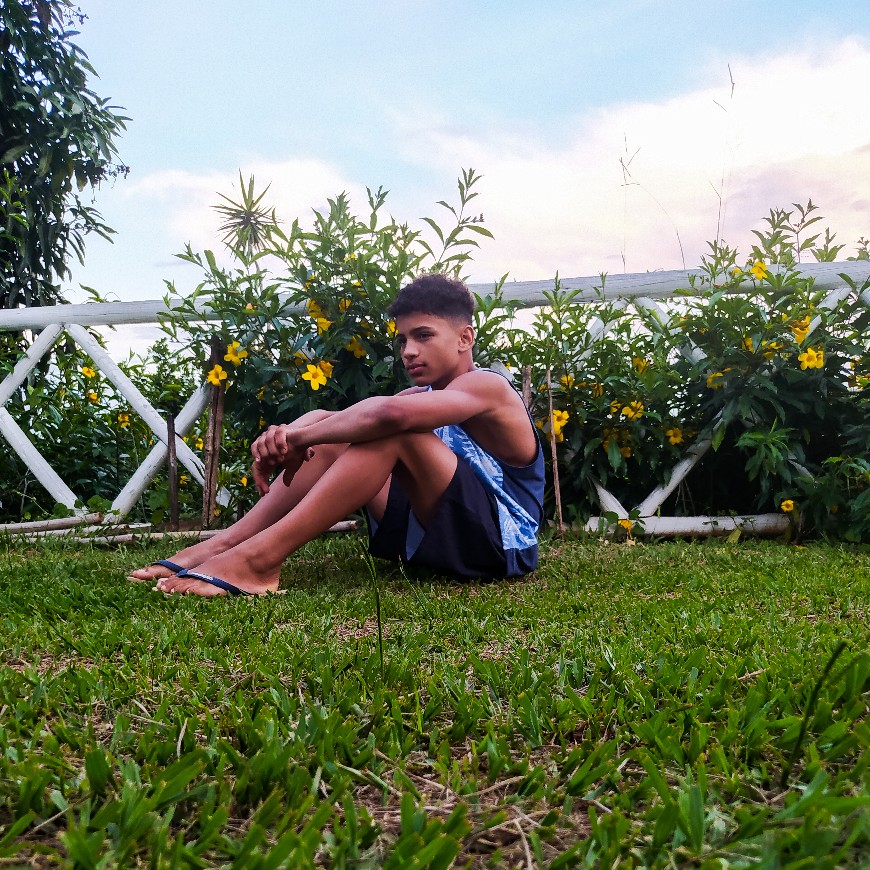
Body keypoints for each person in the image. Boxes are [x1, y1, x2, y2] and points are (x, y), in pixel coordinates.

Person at [131, 274, 545, 596]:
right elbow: (342, 418)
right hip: (433, 539)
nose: (408, 351)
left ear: (465, 338)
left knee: (392, 431)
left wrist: (300, 440)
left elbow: (389, 415)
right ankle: (222, 545)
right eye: (402, 340)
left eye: (423, 335)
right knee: (334, 432)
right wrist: (287, 434)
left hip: (499, 546)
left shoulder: (487, 386)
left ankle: (258, 561)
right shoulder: (421, 396)